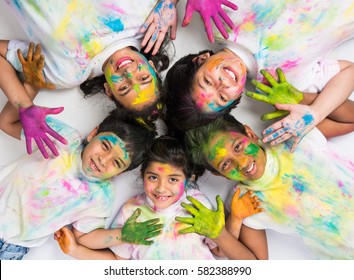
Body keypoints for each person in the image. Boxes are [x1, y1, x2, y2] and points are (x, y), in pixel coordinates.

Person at [164, 0, 354, 151]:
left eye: (207, 81)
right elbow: (349, 72)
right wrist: (314, 112)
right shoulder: (278, 84)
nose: (221, 85)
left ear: (200, 59)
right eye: (222, 97)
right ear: (236, 99)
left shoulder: (217, 17)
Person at [1, 0, 173, 158]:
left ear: (108, 91)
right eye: (143, 78)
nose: (129, 73)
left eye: (124, 88)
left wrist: (24, 104)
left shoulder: (67, 73)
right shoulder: (149, 19)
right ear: (153, 67)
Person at [54, 136, 267, 260]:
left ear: (188, 178)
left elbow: (220, 249)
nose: (161, 188)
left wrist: (235, 219)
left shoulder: (196, 204)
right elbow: (118, 262)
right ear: (142, 175)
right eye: (153, 177)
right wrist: (76, 250)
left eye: (173, 179)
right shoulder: (132, 211)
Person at [184, 112, 354, 259]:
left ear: (250, 133)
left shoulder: (289, 135)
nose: (242, 163)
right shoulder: (245, 201)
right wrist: (232, 222)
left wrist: (303, 102)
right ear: (220, 175)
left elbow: (350, 120)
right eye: (225, 164)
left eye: (237, 146)